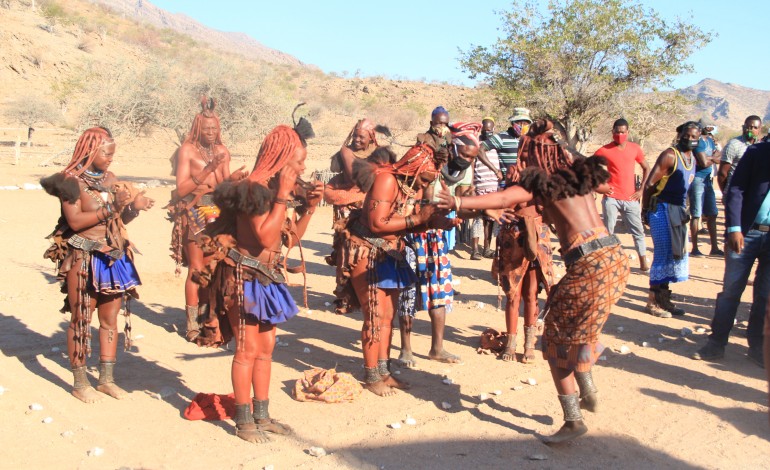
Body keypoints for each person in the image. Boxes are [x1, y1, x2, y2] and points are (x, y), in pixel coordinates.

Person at [436, 119, 629, 444]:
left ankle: (573, 419)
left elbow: (501, 200)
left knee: (553, 343)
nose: (522, 159)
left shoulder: (542, 183)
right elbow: (600, 184)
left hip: (588, 265)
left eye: (526, 154)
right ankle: (588, 387)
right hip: (614, 258)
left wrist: (457, 201)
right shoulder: (577, 175)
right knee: (583, 329)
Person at [195, 115, 323, 443]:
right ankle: (243, 422)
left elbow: (286, 241)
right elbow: (265, 239)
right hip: (243, 276)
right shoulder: (253, 189)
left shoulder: (276, 191)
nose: (303, 169)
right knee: (247, 349)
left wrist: (308, 209)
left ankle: (262, 415)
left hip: (267, 277)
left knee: (266, 348)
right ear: (281, 160)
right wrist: (282, 195)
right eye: (298, 162)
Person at [332, 136, 456, 395]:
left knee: (388, 317)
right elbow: (378, 224)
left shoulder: (413, 186)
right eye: (425, 178)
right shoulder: (387, 180)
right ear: (414, 167)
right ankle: (371, 375)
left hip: (390, 253)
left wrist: (434, 223)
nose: (426, 185)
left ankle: (384, 371)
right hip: (367, 250)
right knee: (375, 317)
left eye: (430, 180)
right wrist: (417, 219)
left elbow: (409, 221)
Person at [41, 127, 154, 403]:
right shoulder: (69, 182)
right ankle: (80, 383)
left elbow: (118, 221)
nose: (110, 158)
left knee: (109, 320)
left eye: (113, 153)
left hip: (112, 257)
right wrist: (112, 208)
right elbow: (76, 222)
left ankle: (106, 380)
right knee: (81, 320)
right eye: (106, 153)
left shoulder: (110, 179)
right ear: (91, 151)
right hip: (84, 258)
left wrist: (134, 208)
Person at [397, 119, 480, 368]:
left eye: (472, 157)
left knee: (439, 288)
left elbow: (463, 206)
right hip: (412, 229)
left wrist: (478, 208)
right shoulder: (425, 159)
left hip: (436, 235)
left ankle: (437, 348)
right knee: (407, 290)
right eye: (465, 154)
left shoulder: (464, 171)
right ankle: (406, 348)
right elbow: (406, 189)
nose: (467, 160)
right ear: (454, 148)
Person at [168, 97, 246, 342]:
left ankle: (211, 321)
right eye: (206, 129)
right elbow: (181, 189)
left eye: (215, 129)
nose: (211, 133)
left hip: (219, 212)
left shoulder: (222, 150)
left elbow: (223, 185)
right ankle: (192, 325)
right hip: (196, 210)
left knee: (215, 267)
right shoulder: (187, 151)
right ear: (197, 128)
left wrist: (233, 178)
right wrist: (207, 169)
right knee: (197, 268)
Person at [692, 139, 770, 368]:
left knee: (765, 296)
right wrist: (734, 228)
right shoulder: (757, 152)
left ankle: (756, 347)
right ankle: (716, 343)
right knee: (731, 290)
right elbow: (736, 188)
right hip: (747, 233)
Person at [641, 122, 700, 318]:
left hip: (678, 211)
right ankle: (653, 301)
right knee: (662, 254)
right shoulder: (670, 155)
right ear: (680, 134)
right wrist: (645, 210)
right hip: (661, 209)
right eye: (687, 136)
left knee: (673, 255)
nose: (690, 140)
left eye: (694, 137)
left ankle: (664, 299)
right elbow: (650, 183)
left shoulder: (692, 158)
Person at [594, 118, 650, 271]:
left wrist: (641, 190)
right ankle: (606, 262)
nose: (620, 135)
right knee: (608, 232)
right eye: (617, 132)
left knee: (638, 231)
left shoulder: (635, 148)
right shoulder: (604, 150)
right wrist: (600, 186)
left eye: (623, 132)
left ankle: (643, 262)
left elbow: (646, 167)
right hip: (611, 198)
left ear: (628, 132)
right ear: (612, 133)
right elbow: (589, 167)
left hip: (631, 197)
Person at [324, 118, 385, 222]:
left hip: (371, 190)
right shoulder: (346, 151)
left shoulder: (378, 151)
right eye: (355, 135)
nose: (357, 139)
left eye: (361, 137)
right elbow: (354, 178)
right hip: (351, 190)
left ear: (370, 138)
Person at [689, 120, 723, 257]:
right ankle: (695, 248)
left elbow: (721, 156)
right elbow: (702, 162)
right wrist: (713, 158)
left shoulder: (710, 141)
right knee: (696, 214)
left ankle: (714, 247)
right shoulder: (697, 142)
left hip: (708, 180)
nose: (708, 128)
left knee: (713, 213)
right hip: (697, 179)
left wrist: (711, 158)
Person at [470, 117, 501, 259]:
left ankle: (487, 249)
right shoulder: (477, 144)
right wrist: (472, 184)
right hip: (479, 185)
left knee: (490, 220)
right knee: (477, 218)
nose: (487, 131)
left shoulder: (496, 143)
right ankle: (475, 250)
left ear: (493, 129)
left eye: (490, 129)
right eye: (485, 129)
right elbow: (471, 165)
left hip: (493, 186)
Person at [718, 115, 762, 192]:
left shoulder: (760, 146)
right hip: (735, 191)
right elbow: (723, 173)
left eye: (755, 128)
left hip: (752, 193)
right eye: (749, 127)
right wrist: (726, 193)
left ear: (759, 130)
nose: (751, 130)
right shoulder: (733, 145)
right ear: (744, 127)